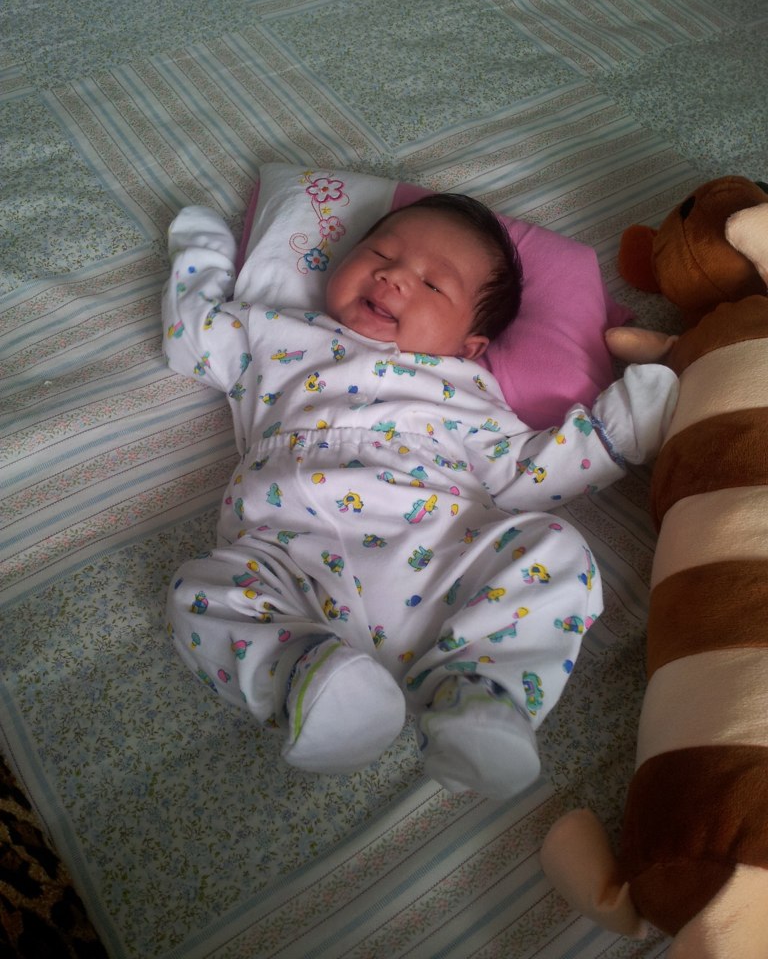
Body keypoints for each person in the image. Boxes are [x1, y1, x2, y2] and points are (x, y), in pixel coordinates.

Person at [161, 193, 677, 799]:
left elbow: (532, 475)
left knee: (555, 548)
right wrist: (200, 259)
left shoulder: (473, 394)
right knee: (199, 590)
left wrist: (616, 433)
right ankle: (314, 684)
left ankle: (479, 698)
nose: (393, 276)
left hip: (433, 568)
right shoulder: (274, 332)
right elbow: (190, 336)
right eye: (379, 252)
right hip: (283, 558)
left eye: (433, 285)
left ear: (471, 345)